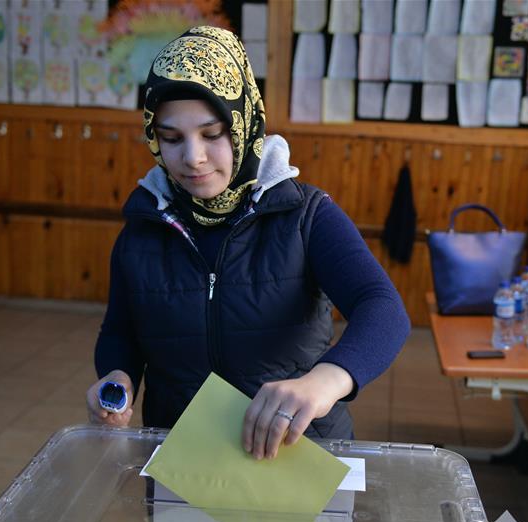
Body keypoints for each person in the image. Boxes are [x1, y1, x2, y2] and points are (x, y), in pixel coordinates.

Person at [86, 26, 409, 460]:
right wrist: (117, 377)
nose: (192, 157)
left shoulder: (304, 215)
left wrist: (326, 380)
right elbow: (121, 330)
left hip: (298, 455)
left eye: (212, 133)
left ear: (243, 123)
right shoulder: (145, 226)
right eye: (172, 138)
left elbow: (383, 307)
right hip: (187, 458)